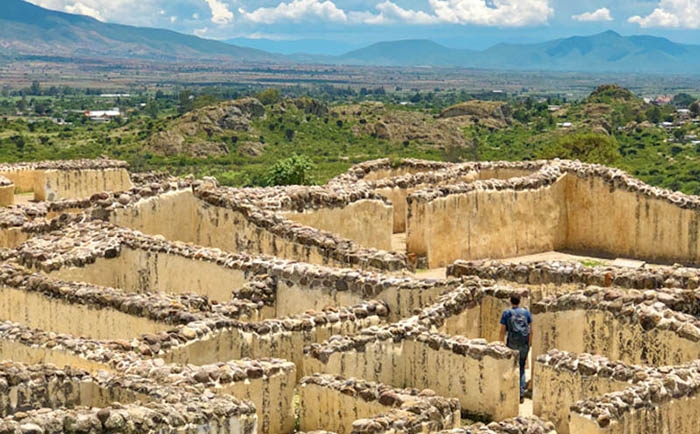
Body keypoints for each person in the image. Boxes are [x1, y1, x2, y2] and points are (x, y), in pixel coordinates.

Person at [499, 294, 532, 403]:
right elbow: (531, 329)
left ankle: (511, 392)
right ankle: (521, 394)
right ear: (520, 301)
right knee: (521, 367)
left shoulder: (507, 313)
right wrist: (530, 343)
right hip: (524, 343)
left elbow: (503, 330)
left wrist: (500, 343)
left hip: (512, 343)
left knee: (511, 367)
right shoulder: (526, 313)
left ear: (511, 301)